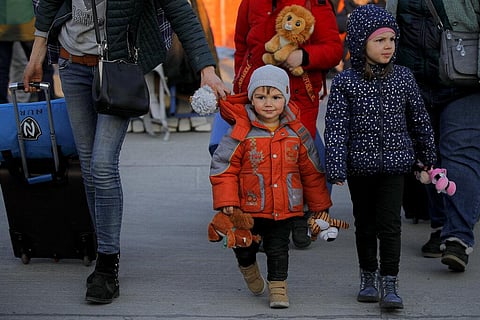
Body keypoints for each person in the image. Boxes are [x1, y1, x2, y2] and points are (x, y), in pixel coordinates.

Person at [23, 0, 230, 304]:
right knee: (91, 168)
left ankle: (107, 265)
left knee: (103, 164)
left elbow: (180, 9)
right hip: (71, 65)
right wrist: (36, 56)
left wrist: (206, 68)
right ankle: (101, 244)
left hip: (118, 69)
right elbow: (49, 4)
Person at [324, 5, 436, 309]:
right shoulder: (346, 83)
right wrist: (335, 165)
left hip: (394, 166)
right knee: (366, 224)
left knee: (390, 225)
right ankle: (368, 277)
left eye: (391, 40)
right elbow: (336, 126)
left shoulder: (403, 78)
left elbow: (419, 121)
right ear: (361, 43)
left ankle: (390, 281)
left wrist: (428, 159)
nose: (388, 46)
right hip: (360, 167)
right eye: (379, 40)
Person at [210, 0, 343, 249]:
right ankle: (257, 220)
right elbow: (241, 46)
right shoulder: (250, 2)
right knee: (252, 156)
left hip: (297, 95)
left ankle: (301, 216)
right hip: (256, 95)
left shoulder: (314, 2)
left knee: (299, 157)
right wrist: (242, 80)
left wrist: (303, 56)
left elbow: (334, 49)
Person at [210, 65, 333, 308]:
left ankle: (278, 288)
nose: (268, 103)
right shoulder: (241, 132)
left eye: (276, 97)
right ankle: (248, 267)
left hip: (284, 207)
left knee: (278, 249)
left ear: (285, 98)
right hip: (249, 208)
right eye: (261, 96)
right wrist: (227, 202)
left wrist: (319, 206)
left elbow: (311, 171)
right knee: (246, 246)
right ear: (251, 98)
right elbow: (224, 167)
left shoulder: (296, 132)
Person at [386, 0, 480, 271]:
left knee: (459, 152)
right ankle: (440, 225)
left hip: (464, 83)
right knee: (428, 155)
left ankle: (458, 237)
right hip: (415, 83)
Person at [0, 0, 54, 103]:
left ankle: (2, 113)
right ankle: (47, 108)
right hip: (30, 22)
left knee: (1, 71)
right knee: (42, 68)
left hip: (4, 23)